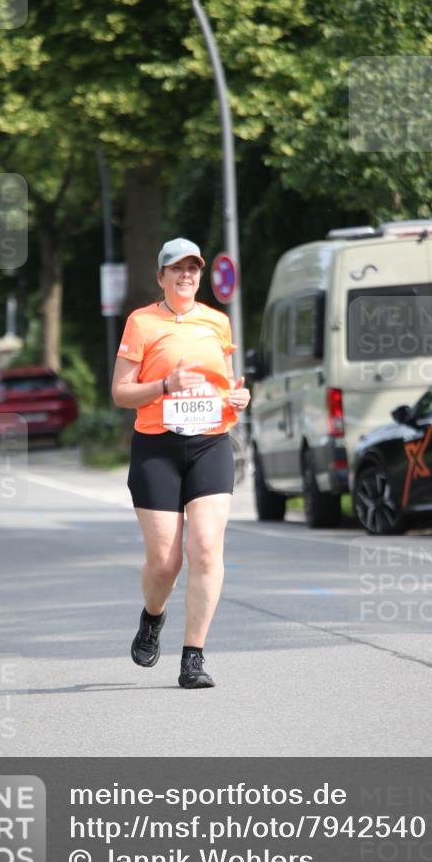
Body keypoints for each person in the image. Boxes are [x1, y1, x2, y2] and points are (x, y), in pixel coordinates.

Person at [112, 238, 250, 689]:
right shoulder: (141, 322)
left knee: (207, 548)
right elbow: (120, 392)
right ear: (161, 276)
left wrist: (238, 398)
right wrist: (164, 385)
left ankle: (194, 657)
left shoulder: (217, 322)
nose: (186, 275)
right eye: (177, 268)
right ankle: (153, 617)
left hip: (210, 443)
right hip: (157, 446)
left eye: (193, 268)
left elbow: (225, 384)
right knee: (165, 562)